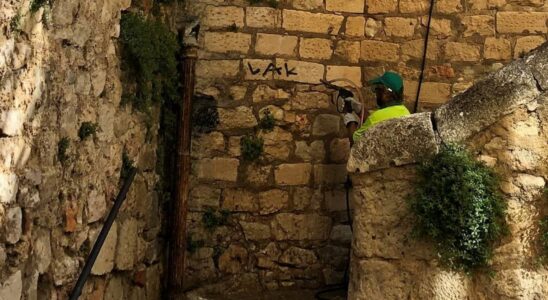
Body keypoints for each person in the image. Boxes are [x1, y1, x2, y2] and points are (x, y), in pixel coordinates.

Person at [342, 71, 411, 143]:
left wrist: (350, 119)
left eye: (377, 90)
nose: (375, 94)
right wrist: (359, 109)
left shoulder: (377, 117)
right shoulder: (405, 111)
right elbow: (373, 121)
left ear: (386, 93)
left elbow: (354, 140)